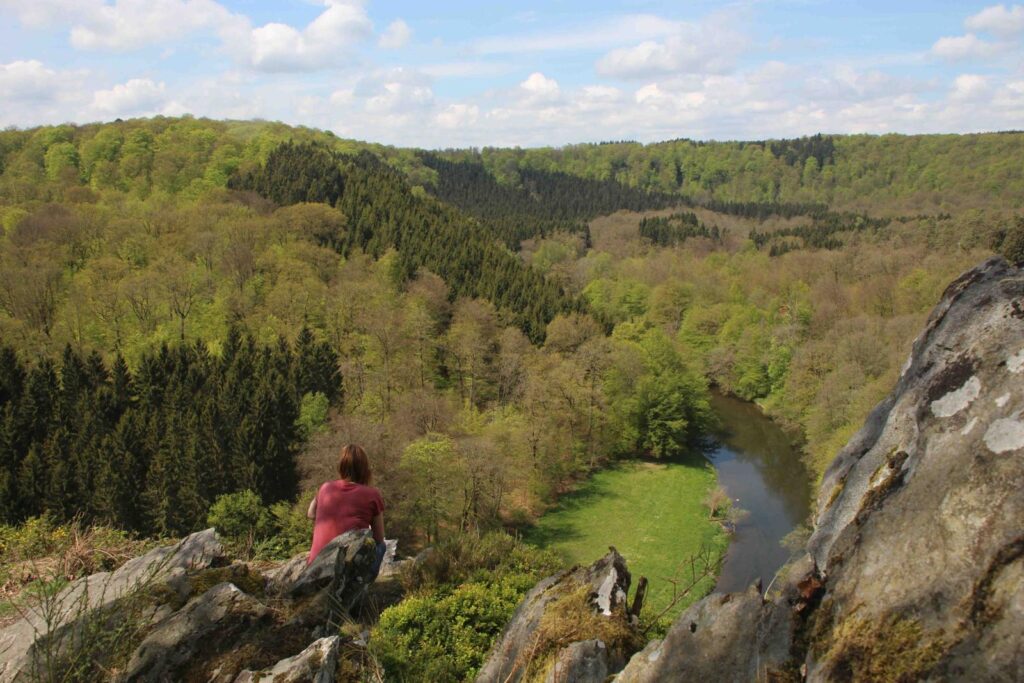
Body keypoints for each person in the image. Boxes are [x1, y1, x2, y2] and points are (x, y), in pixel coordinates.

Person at [307, 444, 387, 578]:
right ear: (364, 469)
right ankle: (362, 585)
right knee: (382, 546)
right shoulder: (372, 494)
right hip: (344, 569)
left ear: (341, 466)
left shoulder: (325, 487)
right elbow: (379, 537)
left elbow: (310, 514)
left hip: (316, 565)